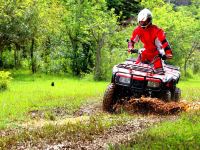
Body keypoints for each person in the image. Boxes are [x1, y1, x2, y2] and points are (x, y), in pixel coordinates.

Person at [128, 8, 172, 74]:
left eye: (145, 21)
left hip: (156, 55)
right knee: (135, 70)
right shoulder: (138, 30)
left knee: (160, 74)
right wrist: (130, 48)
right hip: (144, 53)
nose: (143, 23)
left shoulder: (157, 30)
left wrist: (168, 53)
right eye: (141, 21)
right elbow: (132, 41)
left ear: (150, 20)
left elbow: (164, 42)